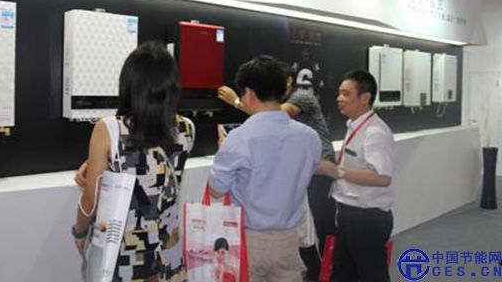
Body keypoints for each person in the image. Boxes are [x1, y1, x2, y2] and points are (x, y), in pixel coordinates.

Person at [72, 41, 195, 282]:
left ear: (129, 84)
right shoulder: (187, 129)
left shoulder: (109, 128)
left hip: (123, 258)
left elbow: (91, 199)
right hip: (168, 254)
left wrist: (79, 231)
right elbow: (155, 163)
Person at [218, 63, 337, 281]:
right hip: (288, 240)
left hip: (249, 240)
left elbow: (217, 188)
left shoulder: (238, 138)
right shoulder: (310, 137)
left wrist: (225, 149)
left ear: (249, 93)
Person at [318, 70, 394, 282]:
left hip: (367, 218)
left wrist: (338, 171)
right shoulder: (355, 125)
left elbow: (382, 177)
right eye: (339, 93)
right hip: (349, 214)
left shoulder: (375, 132)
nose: (339, 98)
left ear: (365, 98)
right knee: (342, 272)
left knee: (372, 275)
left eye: (346, 94)